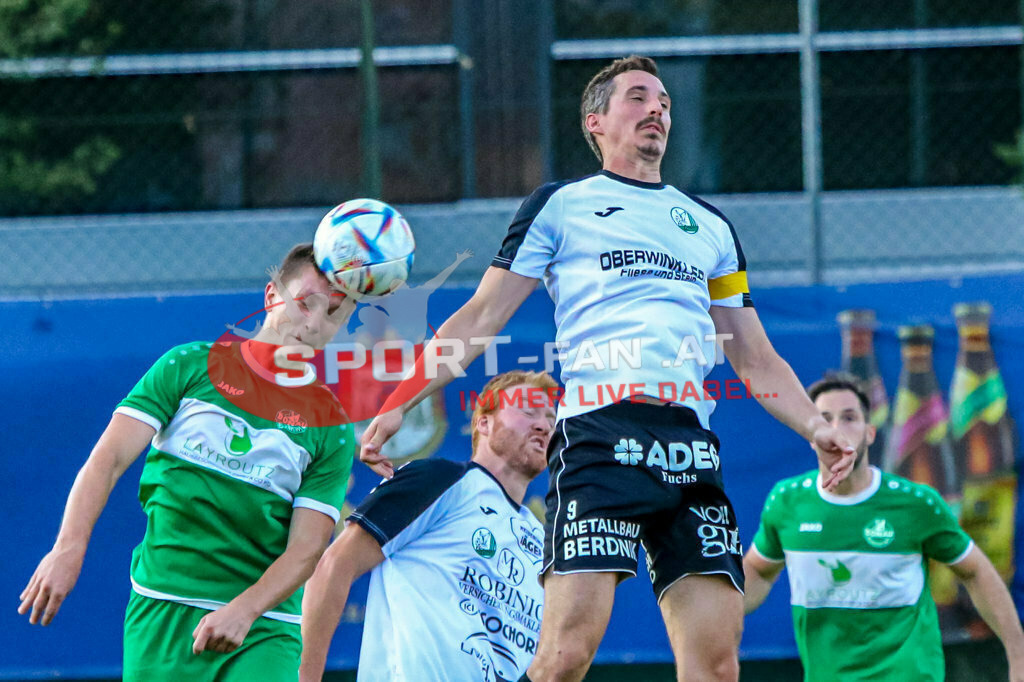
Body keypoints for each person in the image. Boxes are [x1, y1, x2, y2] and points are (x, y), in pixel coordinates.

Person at [359, 55, 856, 682]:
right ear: (595, 121)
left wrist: (816, 427)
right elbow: (481, 315)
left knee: (718, 665)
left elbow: (752, 355)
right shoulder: (562, 206)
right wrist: (400, 399)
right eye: (639, 98)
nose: (658, 111)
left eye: (666, 103)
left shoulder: (711, 227)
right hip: (600, 437)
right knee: (565, 659)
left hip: (688, 446)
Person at [18, 243, 358, 681]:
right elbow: (108, 459)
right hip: (162, 605)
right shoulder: (188, 366)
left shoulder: (331, 425)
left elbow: (307, 549)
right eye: (305, 302)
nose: (314, 322)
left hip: (263, 626)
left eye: (333, 314)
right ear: (272, 295)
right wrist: (68, 548)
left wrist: (244, 610)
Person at [743, 373, 1024, 682]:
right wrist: (711, 620)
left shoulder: (917, 503)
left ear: (870, 433)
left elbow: (976, 572)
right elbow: (758, 571)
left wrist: (1018, 655)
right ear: (811, 435)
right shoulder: (787, 502)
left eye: (850, 417)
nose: (837, 428)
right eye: (824, 419)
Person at [299, 370, 557, 682]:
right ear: (484, 423)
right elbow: (335, 566)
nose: (543, 425)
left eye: (550, 418)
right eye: (528, 412)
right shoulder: (442, 479)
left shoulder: (545, 541)